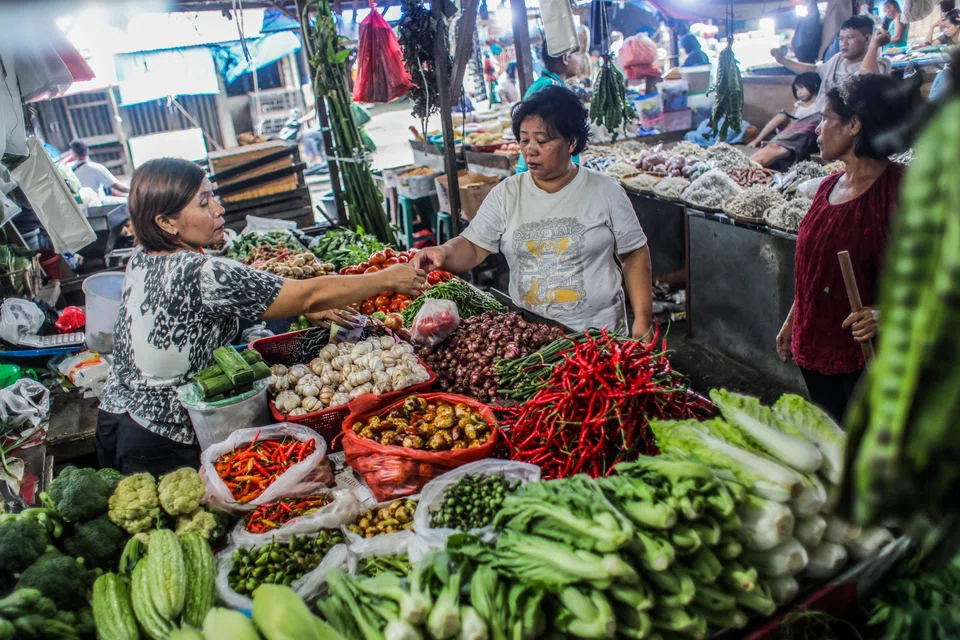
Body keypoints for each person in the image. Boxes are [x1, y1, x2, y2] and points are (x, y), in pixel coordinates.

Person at [98, 158, 426, 475]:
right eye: (203, 203)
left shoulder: (144, 255)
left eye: (212, 196)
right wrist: (385, 279)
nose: (218, 209)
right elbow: (307, 292)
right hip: (159, 436)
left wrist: (302, 304)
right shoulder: (201, 273)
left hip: (116, 416)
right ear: (166, 222)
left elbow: (218, 309)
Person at [412, 86, 653, 339]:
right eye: (524, 140)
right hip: (531, 337)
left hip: (599, 334)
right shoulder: (507, 193)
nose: (530, 149)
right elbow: (472, 247)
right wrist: (442, 252)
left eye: (542, 141)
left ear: (571, 142)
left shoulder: (605, 191)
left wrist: (643, 319)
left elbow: (634, 253)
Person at [776, 73, 919, 421]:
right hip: (815, 348)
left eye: (825, 119)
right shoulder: (826, 187)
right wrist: (794, 318)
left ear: (854, 124)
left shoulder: (901, 192)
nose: (817, 129)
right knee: (833, 442)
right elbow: (816, 268)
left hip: (870, 358)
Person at [755, 15, 892, 169]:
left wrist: (875, 45)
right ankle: (746, 170)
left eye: (850, 38)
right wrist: (783, 60)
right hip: (819, 119)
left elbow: (865, 77)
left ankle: (751, 167)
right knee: (775, 148)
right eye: (841, 39)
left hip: (845, 124)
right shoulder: (837, 59)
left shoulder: (880, 64)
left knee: (777, 149)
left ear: (867, 39)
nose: (843, 43)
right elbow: (814, 69)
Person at [516, 45, 581, 173]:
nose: (580, 60)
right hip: (543, 175)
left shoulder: (547, 85)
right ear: (565, 58)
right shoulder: (551, 90)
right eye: (577, 54)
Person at [747, 72, 822, 149]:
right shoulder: (799, 104)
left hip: (807, 134)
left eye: (801, 88)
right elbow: (792, 121)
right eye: (797, 89)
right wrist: (787, 116)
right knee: (781, 115)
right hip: (792, 130)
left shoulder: (819, 103)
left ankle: (776, 143)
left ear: (814, 85)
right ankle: (758, 140)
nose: (799, 92)